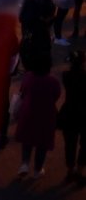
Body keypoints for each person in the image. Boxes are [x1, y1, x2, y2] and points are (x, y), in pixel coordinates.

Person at [16, 54, 61, 179]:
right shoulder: (53, 82)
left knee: (27, 139)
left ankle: (24, 163)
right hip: (46, 115)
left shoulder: (28, 78)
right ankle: (38, 169)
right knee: (42, 144)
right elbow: (56, 96)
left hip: (29, 112)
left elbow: (22, 92)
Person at [59, 50, 86, 183]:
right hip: (84, 113)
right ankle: (80, 171)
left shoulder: (66, 76)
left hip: (69, 112)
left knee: (70, 144)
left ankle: (70, 170)